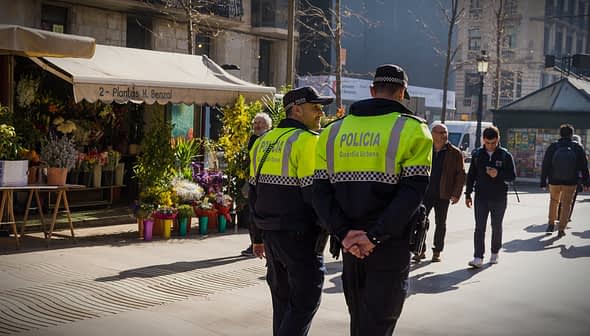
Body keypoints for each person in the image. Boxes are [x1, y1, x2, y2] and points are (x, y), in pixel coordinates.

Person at [312, 64, 432, 335]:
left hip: (349, 246)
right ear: (402, 92)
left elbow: (319, 192)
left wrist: (345, 234)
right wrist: (374, 236)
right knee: (379, 323)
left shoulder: (332, 132)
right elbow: (412, 193)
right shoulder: (413, 130)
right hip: (389, 246)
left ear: (371, 90)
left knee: (359, 321)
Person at [248, 86, 333, 336]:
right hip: (301, 237)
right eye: (315, 107)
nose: (321, 112)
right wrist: (334, 229)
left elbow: (252, 194)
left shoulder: (263, 141)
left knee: (283, 304)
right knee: (306, 301)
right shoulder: (308, 141)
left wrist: (257, 238)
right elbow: (314, 195)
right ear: (296, 110)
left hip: (272, 236)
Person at [413, 122, 466, 263]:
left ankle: (437, 251)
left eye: (445, 133)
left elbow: (460, 174)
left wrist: (456, 193)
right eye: (440, 132)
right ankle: (420, 250)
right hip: (425, 193)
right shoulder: (424, 149)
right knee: (420, 222)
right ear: (432, 134)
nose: (444, 135)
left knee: (440, 223)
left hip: (443, 193)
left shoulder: (455, 152)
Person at [465, 126, 516, 268]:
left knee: (496, 226)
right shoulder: (477, 154)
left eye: (493, 143)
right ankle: (478, 257)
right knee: (479, 227)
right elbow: (471, 176)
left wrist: (498, 174)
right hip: (481, 196)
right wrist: (467, 194)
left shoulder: (505, 155)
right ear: (483, 140)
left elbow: (512, 176)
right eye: (487, 143)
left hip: (499, 197)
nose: (490, 146)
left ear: (498, 139)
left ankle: (494, 253)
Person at [540, 125, 590, 238]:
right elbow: (584, 166)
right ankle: (561, 228)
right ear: (571, 135)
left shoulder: (553, 146)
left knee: (554, 201)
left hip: (554, 180)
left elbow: (546, 164)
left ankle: (551, 224)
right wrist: (586, 182)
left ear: (560, 134)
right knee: (567, 204)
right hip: (571, 181)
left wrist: (543, 181)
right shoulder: (577, 147)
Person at [241, 113, 272, 257]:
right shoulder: (253, 139)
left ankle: (261, 243)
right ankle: (255, 242)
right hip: (253, 181)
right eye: (255, 123)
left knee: (258, 214)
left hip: (266, 183)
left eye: (260, 123)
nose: (256, 125)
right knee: (251, 214)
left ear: (267, 125)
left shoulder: (270, 139)